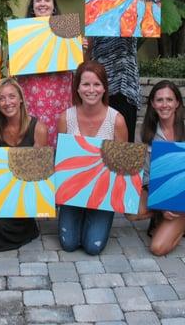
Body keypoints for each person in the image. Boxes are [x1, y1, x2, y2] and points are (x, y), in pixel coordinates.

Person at [57, 61, 128, 255]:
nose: (91, 90)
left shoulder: (117, 121)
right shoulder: (66, 118)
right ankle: (79, 215)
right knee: (68, 244)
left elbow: (122, 165)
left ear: (105, 88)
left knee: (92, 247)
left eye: (97, 84)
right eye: (85, 84)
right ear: (77, 88)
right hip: (73, 192)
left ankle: (92, 217)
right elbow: (60, 161)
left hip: (103, 194)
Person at [131, 80, 185, 256]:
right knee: (130, 209)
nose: (164, 105)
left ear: (177, 103)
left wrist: (179, 201)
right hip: (155, 190)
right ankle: (159, 215)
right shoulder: (142, 132)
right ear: (152, 103)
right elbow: (143, 174)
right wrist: (161, 203)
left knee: (157, 248)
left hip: (184, 198)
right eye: (159, 100)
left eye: (169, 100)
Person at [0, 77, 48, 252]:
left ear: (21, 99)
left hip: (26, 195)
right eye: (1, 98)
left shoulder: (38, 128)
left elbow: (38, 175)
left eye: (11, 96)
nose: (7, 102)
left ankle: (29, 227)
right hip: (4, 194)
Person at [17, 0, 73, 147]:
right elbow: (14, 64)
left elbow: (76, 63)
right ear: (32, 6)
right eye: (38, 0)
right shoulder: (21, 31)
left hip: (58, 92)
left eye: (47, 0)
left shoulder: (65, 29)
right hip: (31, 92)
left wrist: (78, 47)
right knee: (32, 132)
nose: (43, 4)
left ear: (54, 6)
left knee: (58, 132)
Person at [86, 37, 140, 142]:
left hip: (124, 86)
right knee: (96, 139)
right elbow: (89, 48)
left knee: (124, 145)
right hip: (97, 85)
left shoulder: (130, 23)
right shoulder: (96, 23)